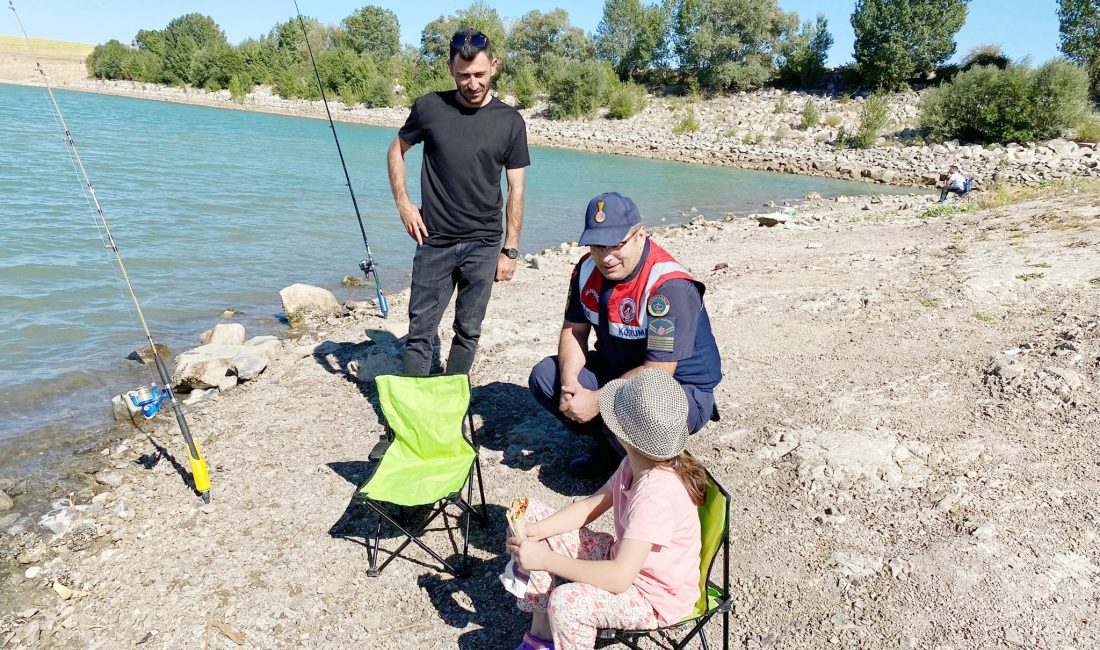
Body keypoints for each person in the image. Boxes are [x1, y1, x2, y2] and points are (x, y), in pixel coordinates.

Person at [506, 369, 708, 650]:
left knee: (566, 604)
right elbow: (590, 505)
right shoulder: (635, 464)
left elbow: (619, 577)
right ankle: (542, 636)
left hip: (652, 597)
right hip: (627, 565)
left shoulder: (655, 496)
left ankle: (556, 634)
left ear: (623, 435)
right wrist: (533, 531)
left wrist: (545, 560)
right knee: (532, 515)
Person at [528, 192, 721, 479]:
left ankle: (663, 472)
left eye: (616, 245)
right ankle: (611, 449)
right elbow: (574, 330)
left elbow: (659, 373)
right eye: (597, 246)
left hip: (677, 388)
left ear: (640, 235)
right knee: (546, 377)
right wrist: (571, 386)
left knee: (637, 403)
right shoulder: (586, 269)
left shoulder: (668, 287)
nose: (606, 257)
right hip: (619, 368)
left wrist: (597, 399)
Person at [387, 28, 529, 377]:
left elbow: (516, 189)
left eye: (480, 74)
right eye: (464, 75)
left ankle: (453, 410)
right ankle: (412, 420)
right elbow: (396, 150)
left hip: (483, 243)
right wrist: (403, 203)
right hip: (434, 240)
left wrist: (510, 250)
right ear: (451, 69)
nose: (473, 83)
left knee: (468, 331)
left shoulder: (510, 122)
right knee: (420, 333)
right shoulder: (429, 108)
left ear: (493, 67)